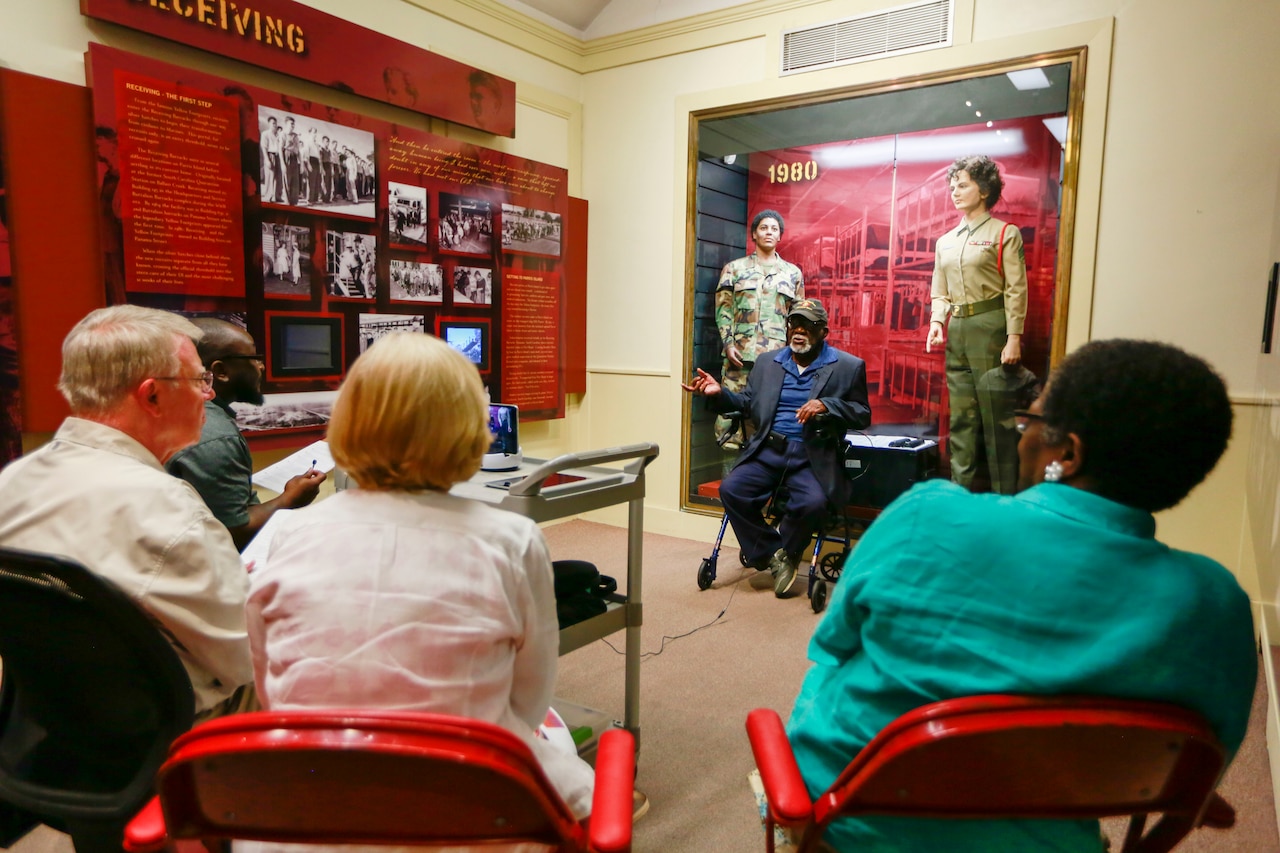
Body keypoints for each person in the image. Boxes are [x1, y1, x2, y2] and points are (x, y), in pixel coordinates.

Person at [786, 339, 1256, 853]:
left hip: (849, 822)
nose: (1021, 434)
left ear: (1068, 454)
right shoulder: (1217, 605)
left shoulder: (927, 515)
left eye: (1028, 419)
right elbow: (1196, 774)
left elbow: (832, 644)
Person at [244, 332, 596, 831]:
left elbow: (268, 679)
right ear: (470, 427)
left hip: (310, 803)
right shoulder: (511, 540)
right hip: (468, 806)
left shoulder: (291, 534)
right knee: (566, 758)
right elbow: (530, 697)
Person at [0, 305, 254, 718]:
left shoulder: (12, 483)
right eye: (199, 379)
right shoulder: (170, 511)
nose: (208, 394)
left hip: (47, 723)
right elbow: (244, 659)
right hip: (173, 737)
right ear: (152, 394)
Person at [684, 298, 870, 597]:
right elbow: (746, 404)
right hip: (768, 450)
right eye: (794, 324)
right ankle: (774, 555)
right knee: (732, 490)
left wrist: (828, 404)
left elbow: (862, 414)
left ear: (823, 331)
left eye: (807, 326)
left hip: (813, 454)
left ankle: (786, 553)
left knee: (813, 504)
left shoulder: (847, 367)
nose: (798, 331)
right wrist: (719, 394)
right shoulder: (767, 362)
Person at [167, 319, 325, 551]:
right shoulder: (215, 435)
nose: (261, 367)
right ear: (220, 371)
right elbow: (233, 535)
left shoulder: (182, 410)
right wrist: (289, 499)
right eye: (253, 358)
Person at [925, 154, 1029, 494]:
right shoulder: (946, 241)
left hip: (991, 327)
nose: (955, 192)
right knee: (961, 420)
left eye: (963, 185)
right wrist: (937, 321)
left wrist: (1014, 336)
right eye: (953, 186)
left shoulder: (1004, 234)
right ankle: (960, 495)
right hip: (958, 329)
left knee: (997, 420)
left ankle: (1005, 500)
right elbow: (939, 290)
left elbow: (1016, 288)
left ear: (983, 189)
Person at [714, 209, 804, 449]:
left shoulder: (792, 274)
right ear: (754, 234)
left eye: (774, 229)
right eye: (763, 228)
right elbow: (723, 309)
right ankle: (729, 477)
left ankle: (763, 474)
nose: (769, 232)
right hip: (738, 358)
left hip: (775, 361)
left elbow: (798, 320)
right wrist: (728, 343)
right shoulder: (734, 269)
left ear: (780, 236)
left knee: (769, 415)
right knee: (730, 422)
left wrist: (793, 356)